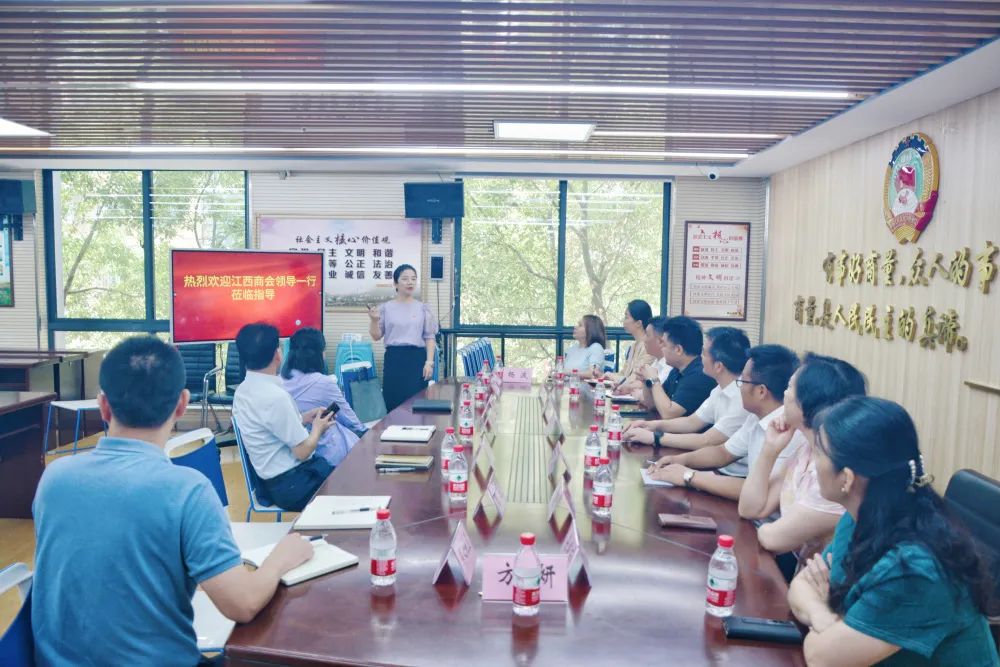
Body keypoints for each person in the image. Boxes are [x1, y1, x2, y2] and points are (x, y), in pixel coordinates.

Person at [32, 336, 314, 666]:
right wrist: (280, 559)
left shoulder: (54, 479)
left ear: (103, 406)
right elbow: (243, 604)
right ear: (182, 405)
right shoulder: (187, 490)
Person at [789, 397, 999, 666]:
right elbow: (801, 585)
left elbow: (821, 657)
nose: (813, 461)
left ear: (847, 478)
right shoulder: (860, 519)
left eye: (819, 453)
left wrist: (824, 612)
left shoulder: (914, 569)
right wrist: (824, 615)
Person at [738, 353, 866, 561]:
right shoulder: (806, 449)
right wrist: (770, 450)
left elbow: (774, 539)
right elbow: (750, 508)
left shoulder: (835, 470)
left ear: (807, 402)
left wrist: (768, 529)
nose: (784, 393)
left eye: (790, 387)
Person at [648, 344, 802, 501]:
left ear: (761, 391)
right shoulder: (755, 417)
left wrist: (689, 476)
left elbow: (761, 490)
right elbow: (723, 452)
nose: (739, 386)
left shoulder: (788, 431)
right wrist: (680, 460)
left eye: (743, 380)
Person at [233, 322, 337, 511]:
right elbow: (303, 452)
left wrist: (303, 418)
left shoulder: (243, 391)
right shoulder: (275, 397)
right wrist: (318, 428)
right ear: (277, 355)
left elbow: (268, 427)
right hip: (295, 486)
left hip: (272, 484)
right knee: (351, 483)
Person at [624, 326, 749, 450]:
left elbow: (707, 441)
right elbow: (692, 422)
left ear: (718, 366)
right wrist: (650, 425)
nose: (701, 357)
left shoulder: (741, 398)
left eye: (704, 353)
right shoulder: (720, 389)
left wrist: (655, 437)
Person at [282, 327, 365, 467]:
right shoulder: (324, 383)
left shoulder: (279, 381)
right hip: (328, 454)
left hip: (294, 454)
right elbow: (352, 421)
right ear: (318, 354)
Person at [368, 264, 439, 412]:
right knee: (393, 403)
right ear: (395, 284)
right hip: (394, 359)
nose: (410, 282)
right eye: (405, 279)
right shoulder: (386, 308)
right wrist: (374, 320)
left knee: (416, 404)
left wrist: (429, 362)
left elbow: (429, 336)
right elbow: (376, 336)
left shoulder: (422, 308)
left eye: (413, 279)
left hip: (417, 360)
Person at [639, 315, 715, 419]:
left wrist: (653, 379)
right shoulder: (676, 370)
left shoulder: (699, 375)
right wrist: (646, 379)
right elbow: (652, 404)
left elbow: (668, 414)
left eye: (664, 344)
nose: (661, 347)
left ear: (678, 349)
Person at [605, 299, 655, 391]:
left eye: (626, 317)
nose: (623, 321)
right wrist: (606, 375)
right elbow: (624, 374)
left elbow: (634, 378)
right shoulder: (633, 346)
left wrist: (612, 377)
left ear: (638, 323)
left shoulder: (648, 346)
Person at [563, 314, 607, 379]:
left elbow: (593, 374)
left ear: (591, 330)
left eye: (580, 325)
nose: (575, 327)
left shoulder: (596, 347)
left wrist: (567, 373)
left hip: (584, 385)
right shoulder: (572, 349)